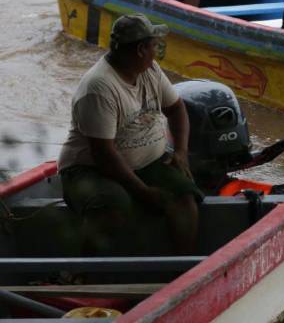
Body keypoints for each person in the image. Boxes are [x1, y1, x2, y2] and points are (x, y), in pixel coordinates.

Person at [57, 14, 202, 256]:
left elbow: (176, 109)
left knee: (185, 197)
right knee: (112, 207)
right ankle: (80, 274)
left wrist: (181, 152)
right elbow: (104, 155)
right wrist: (143, 192)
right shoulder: (99, 88)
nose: (157, 50)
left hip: (147, 162)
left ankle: (182, 270)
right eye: (155, 45)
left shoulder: (150, 70)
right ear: (141, 49)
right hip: (88, 169)